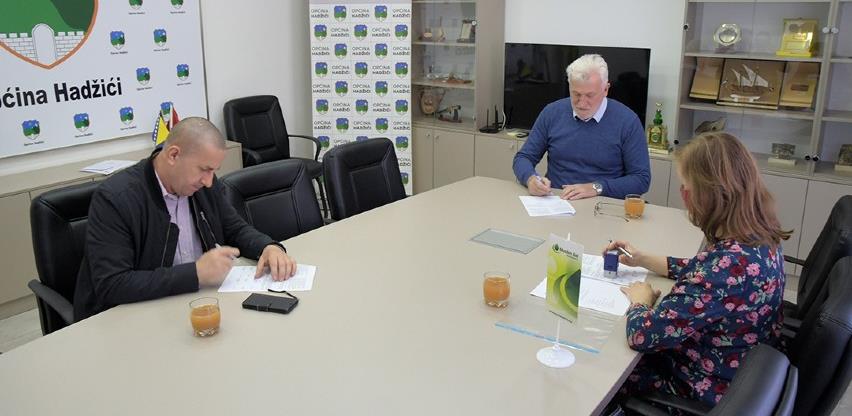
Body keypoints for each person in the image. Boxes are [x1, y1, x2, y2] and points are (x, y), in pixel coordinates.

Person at [608, 132, 790, 406]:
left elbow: (642, 335)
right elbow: (702, 271)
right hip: (744, 376)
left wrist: (640, 301)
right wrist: (642, 258)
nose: (683, 196)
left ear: (706, 195)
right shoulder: (758, 236)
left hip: (700, 388)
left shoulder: (725, 270)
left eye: (686, 187)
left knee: (601, 369)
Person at [74, 117, 296, 320]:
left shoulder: (203, 186)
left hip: (195, 302)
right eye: (204, 169)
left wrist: (268, 247)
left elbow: (234, 228)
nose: (209, 181)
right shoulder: (116, 199)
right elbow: (113, 284)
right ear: (173, 155)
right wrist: (196, 273)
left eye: (213, 171)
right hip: (137, 316)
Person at [512, 53, 650, 200]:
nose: (582, 103)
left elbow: (641, 179)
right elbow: (524, 157)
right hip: (557, 199)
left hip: (602, 203)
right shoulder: (552, 113)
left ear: (606, 89)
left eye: (590, 95)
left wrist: (596, 188)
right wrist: (531, 179)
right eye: (576, 94)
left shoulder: (628, 121)